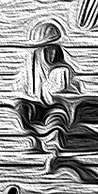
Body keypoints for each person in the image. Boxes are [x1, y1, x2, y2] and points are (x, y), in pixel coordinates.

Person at [13, 20, 82, 173]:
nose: (51, 53)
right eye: (46, 49)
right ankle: (32, 138)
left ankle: (53, 155)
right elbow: (20, 88)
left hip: (55, 107)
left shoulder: (62, 70)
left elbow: (67, 94)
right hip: (35, 106)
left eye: (53, 48)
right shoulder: (30, 69)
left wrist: (58, 92)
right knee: (21, 110)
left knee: (56, 121)